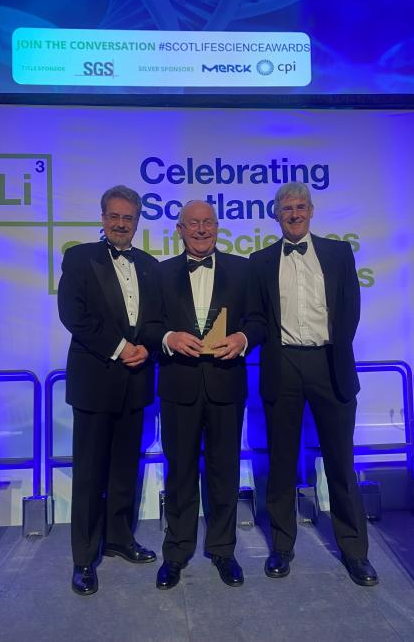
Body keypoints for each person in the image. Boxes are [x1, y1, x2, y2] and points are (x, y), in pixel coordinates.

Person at [247, 181, 378, 587]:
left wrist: (334, 351)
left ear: (312, 211)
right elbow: (256, 316)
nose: (294, 213)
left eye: (300, 206)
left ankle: (355, 552)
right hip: (282, 364)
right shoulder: (261, 260)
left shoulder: (339, 253)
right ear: (276, 214)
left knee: (340, 462)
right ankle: (282, 548)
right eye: (286, 208)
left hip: (329, 364)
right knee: (282, 463)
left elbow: (350, 310)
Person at [151, 200, 263, 590]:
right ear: (179, 229)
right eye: (193, 224)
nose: (201, 230)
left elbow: (260, 319)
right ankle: (176, 552)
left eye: (208, 223)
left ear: (218, 227)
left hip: (226, 384)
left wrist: (244, 338)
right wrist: (167, 338)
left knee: (224, 472)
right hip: (178, 385)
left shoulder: (244, 269)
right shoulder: (160, 273)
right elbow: (148, 326)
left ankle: (223, 550)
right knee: (179, 472)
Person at [58, 185, 159, 596]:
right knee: (88, 474)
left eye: (128, 218)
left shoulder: (150, 265)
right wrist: (121, 348)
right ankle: (84, 558)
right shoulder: (80, 257)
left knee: (123, 470)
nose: (121, 224)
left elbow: (156, 320)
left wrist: (147, 348)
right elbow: (73, 315)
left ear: (137, 221)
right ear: (103, 218)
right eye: (114, 216)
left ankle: (119, 539)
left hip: (136, 383)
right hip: (96, 379)